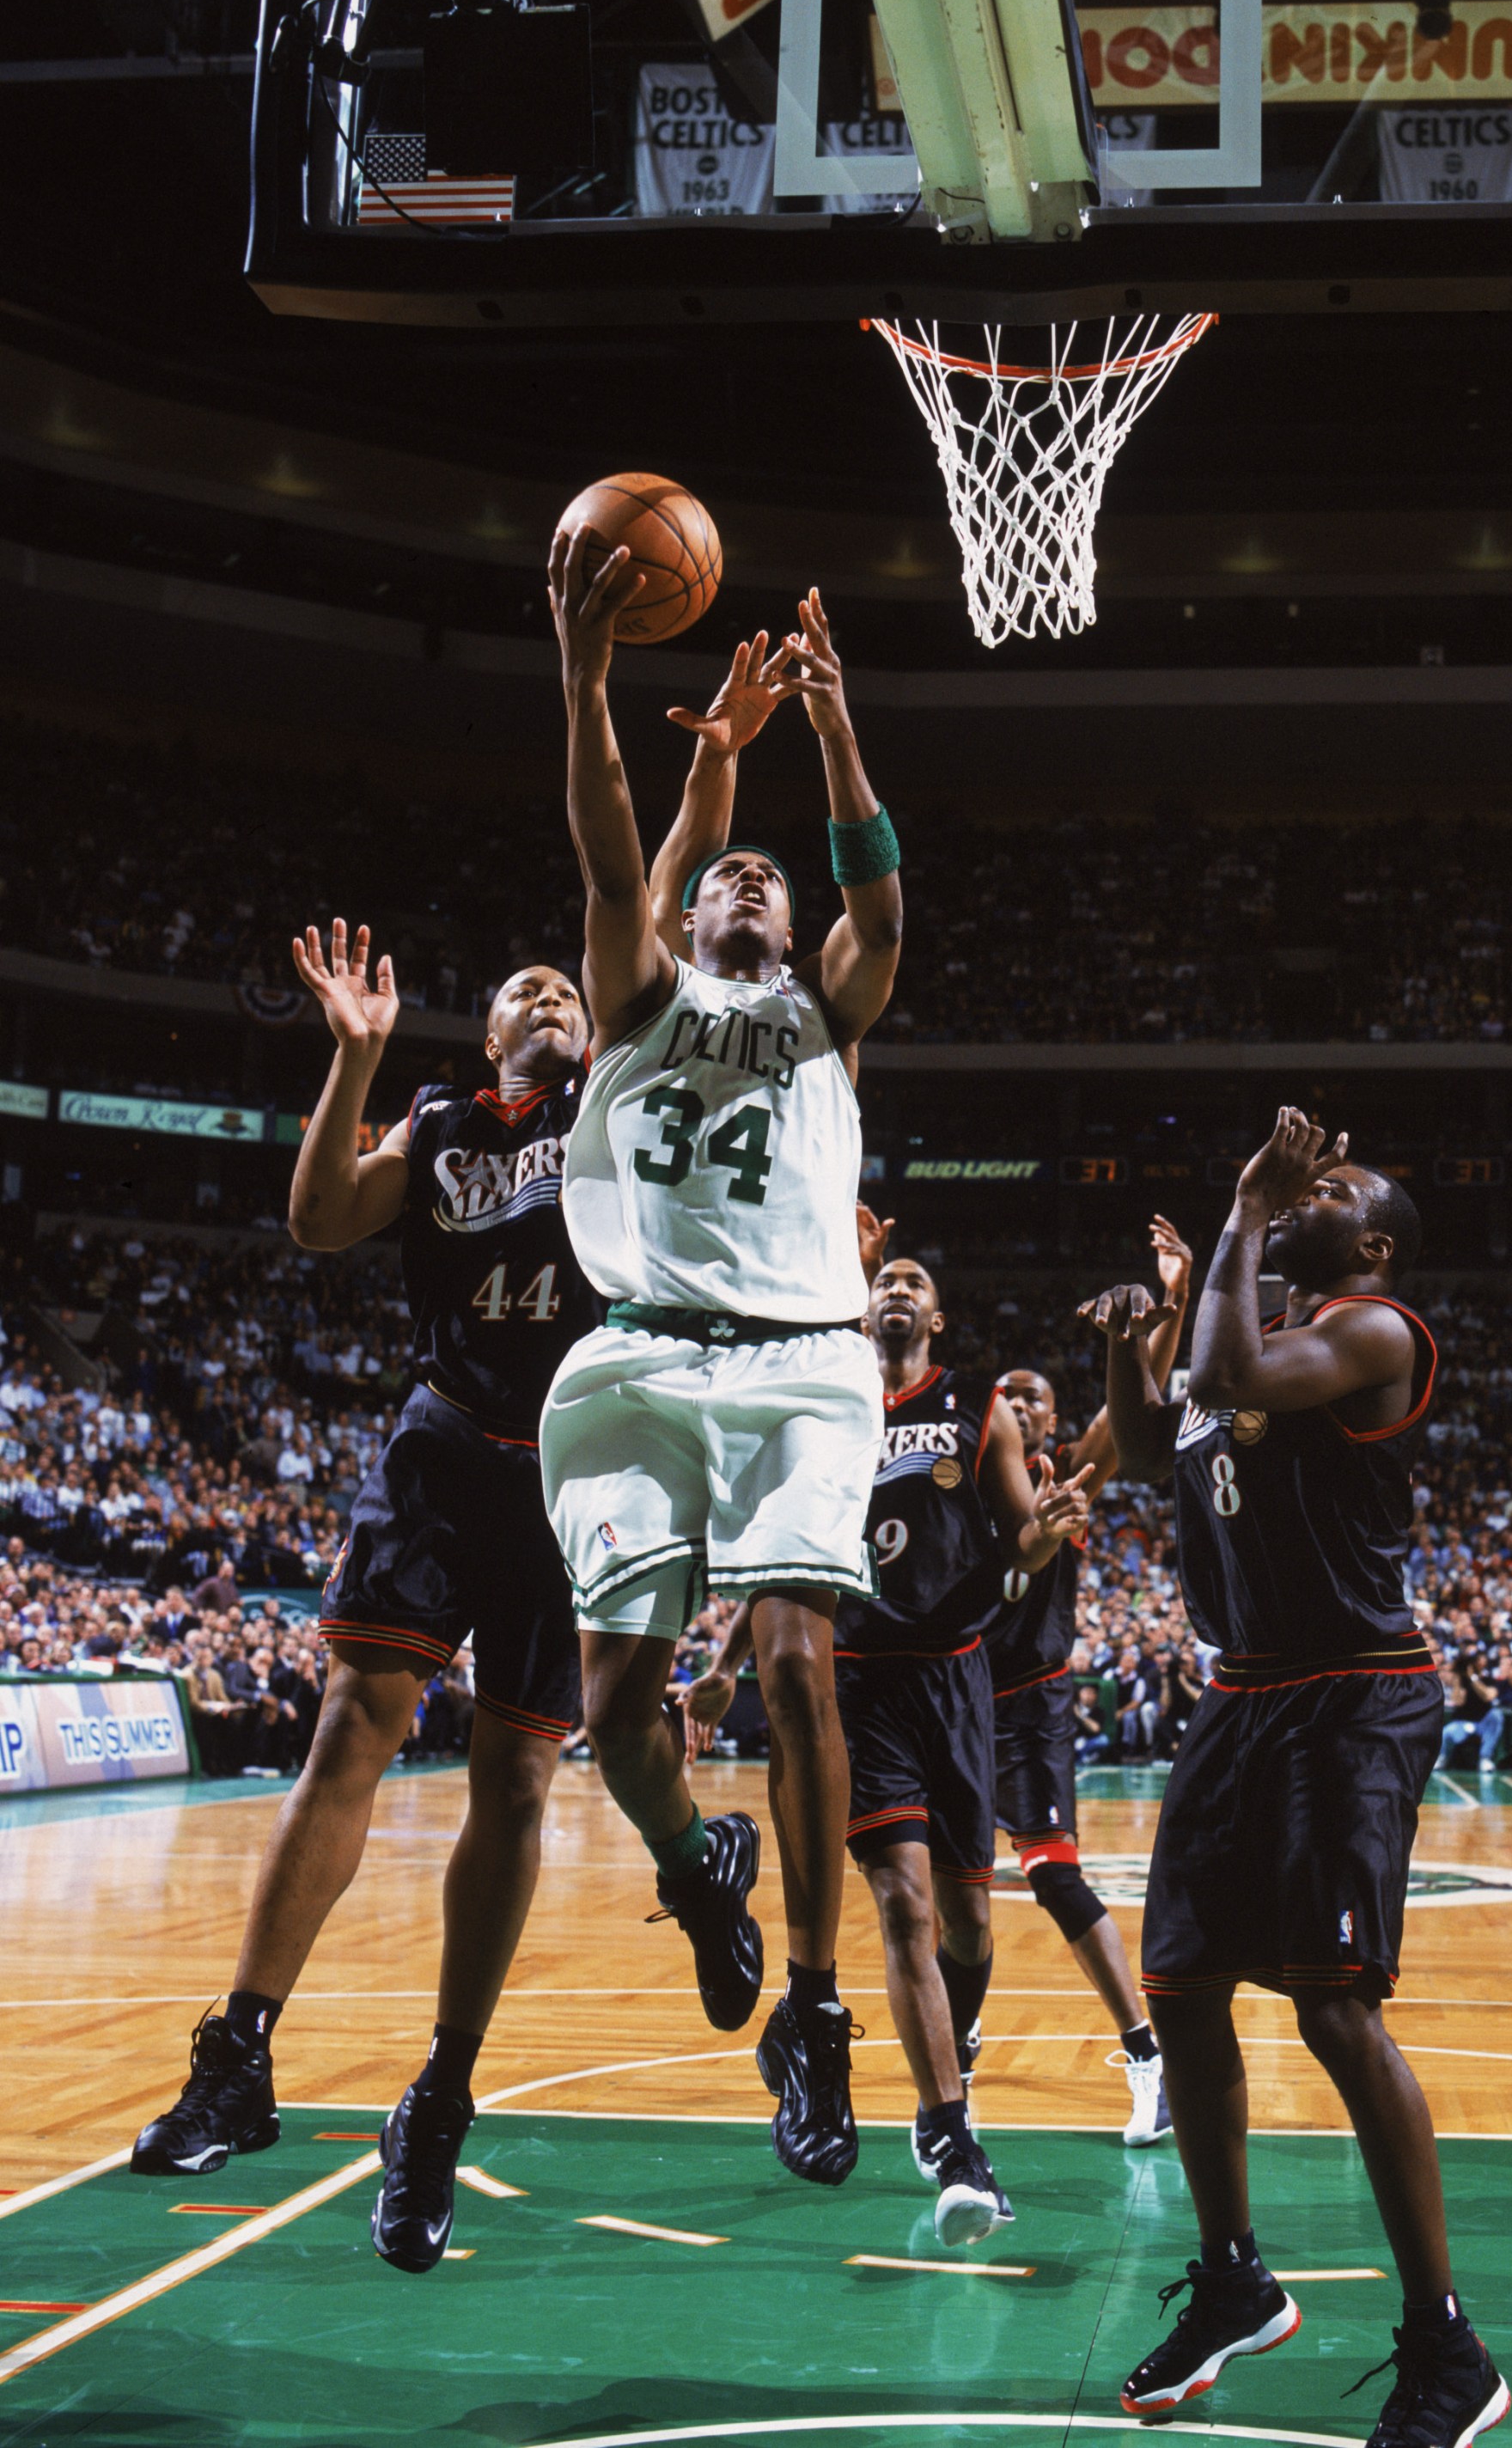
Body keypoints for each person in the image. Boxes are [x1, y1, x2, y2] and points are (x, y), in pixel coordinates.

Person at [132, 924, 607, 2277]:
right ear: (489, 1034)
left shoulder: (614, 1100)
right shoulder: (442, 1117)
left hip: (574, 1464)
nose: (554, 995)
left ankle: (441, 2096)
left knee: (514, 1787)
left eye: (568, 986)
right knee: (350, 1730)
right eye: (529, 987)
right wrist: (353, 1061)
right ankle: (239, 2056)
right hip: (447, 1443)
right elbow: (317, 1219)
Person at [540, 542, 900, 2184]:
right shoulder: (631, 992)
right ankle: (699, 1861)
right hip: (632, 1363)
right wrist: (585, 674)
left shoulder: (827, 1005)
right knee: (612, 1711)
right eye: (728, 875)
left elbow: (878, 899)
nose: (753, 884)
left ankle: (815, 2011)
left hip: (808, 1363)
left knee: (796, 1661)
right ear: (688, 917)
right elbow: (612, 844)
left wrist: (831, 736)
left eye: (773, 876)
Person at [1087, 1108, 1507, 2447]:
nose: (1303, 1185)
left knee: (1334, 2014)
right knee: (1183, 1984)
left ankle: (1448, 2352)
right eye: (1297, 1179)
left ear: (1368, 1239)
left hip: (1354, 1689)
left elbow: (1235, 1372)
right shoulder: (1255, 1333)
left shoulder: (1375, 1330)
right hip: (1243, 1687)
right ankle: (1231, 2281)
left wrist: (1237, 1214)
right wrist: (1126, 1343)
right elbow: (1158, 1446)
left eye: (1329, 1186)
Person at [704, 1254, 1088, 2243]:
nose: (900, 1288)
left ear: (939, 1312)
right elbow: (785, 1555)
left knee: (970, 1926)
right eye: (889, 1280)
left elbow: (1020, 1540)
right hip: (861, 1680)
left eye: (918, 1280)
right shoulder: (831, 1405)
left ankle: (939, 2071)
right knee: (904, 1901)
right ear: (863, 1306)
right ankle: (955, 2135)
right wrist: (721, 1665)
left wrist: (1043, 1536)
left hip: (958, 1678)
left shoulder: (979, 1402)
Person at [989, 1216, 1191, 2151]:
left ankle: (1147, 2053)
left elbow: (1132, 1411)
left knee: (1058, 1882)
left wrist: (1173, 1304)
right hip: (939, 1695)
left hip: (1027, 1699)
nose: (1015, 1403)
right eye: (1003, 1394)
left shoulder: (1063, 1471)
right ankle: (958, 2028)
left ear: (1052, 1421)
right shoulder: (945, 1475)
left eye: (1031, 1395)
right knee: (933, 1883)